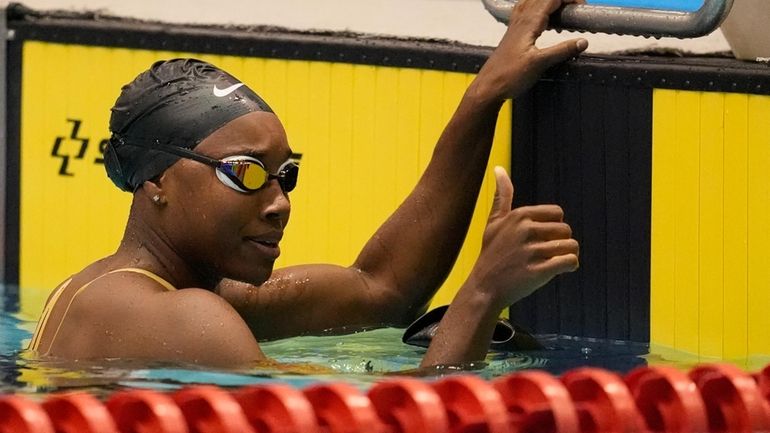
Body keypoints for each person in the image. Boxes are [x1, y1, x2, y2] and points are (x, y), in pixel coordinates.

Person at [28, 0, 584, 368]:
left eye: (284, 176)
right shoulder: (183, 319)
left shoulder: (153, 292)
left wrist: (484, 97)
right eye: (243, 173)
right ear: (157, 182)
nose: (279, 203)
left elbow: (383, 290)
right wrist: (482, 294)